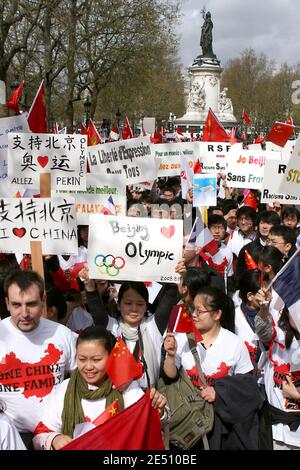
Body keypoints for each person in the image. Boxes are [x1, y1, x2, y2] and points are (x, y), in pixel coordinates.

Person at [33, 326, 167, 450]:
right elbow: (40, 434)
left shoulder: (125, 387)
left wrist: (158, 410)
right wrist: (55, 439)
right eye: (82, 359)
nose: (88, 366)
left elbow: (147, 425)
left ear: (111, 357)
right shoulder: (65, 388)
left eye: (96, 359)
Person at [163, 286, 264, 449]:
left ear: (217, 314)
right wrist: (171, 355)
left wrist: (220, 393)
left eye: (200, 311)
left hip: (223, 429)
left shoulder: (234, 344)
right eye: (192, 309)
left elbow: (247, 387)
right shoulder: (182, 337)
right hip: (190, 423)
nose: (194, 315)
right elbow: (170, 376)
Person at [0, 270, 77, 446]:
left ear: (43, 300)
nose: (25, 313)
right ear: (7, 303)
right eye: (17, 305)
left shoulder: (62, 335)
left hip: (56, 436)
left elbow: (87, 378)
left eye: (31, 304)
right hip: (11, 438)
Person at [80, 276, 168, 389]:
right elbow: (98, 313)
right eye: (128, 303)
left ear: (146, 306)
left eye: (140, 304)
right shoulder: (112, 327)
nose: (134, 309)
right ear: (118, 305)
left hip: (148, 399)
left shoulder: (153, 326)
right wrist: (90, 287)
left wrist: (175, 276)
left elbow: (169, 297)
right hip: (116, 398)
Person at [255, 295, 300, 449]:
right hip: (275, 431)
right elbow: (263, 331)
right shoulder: (278, 337)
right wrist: (263, 311)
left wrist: (297, 396)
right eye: (295, 310)